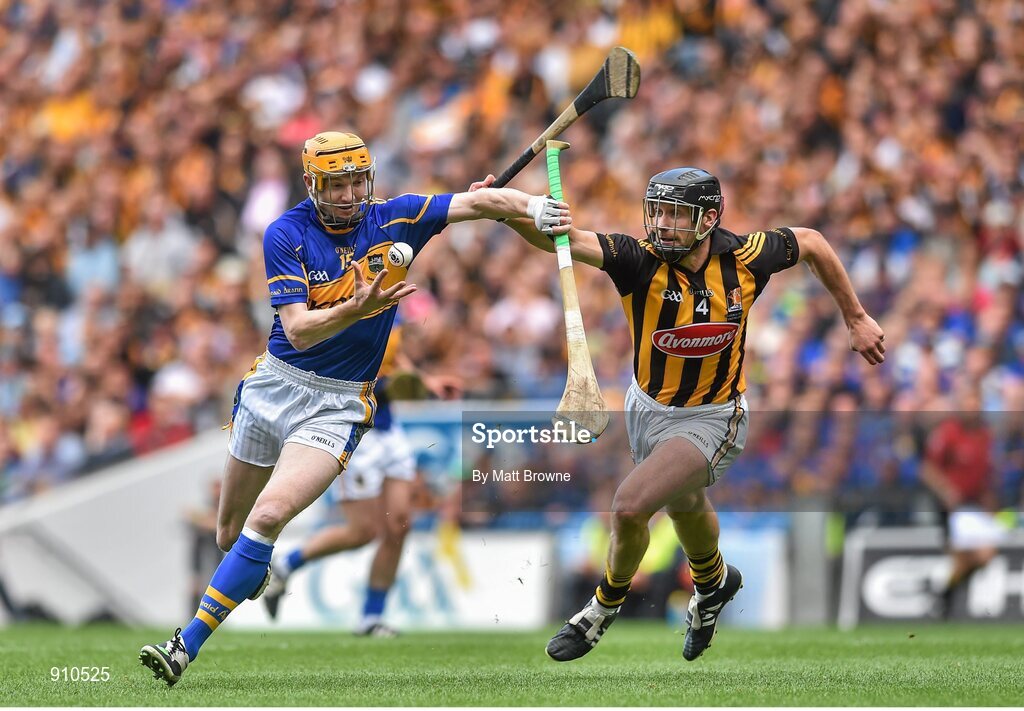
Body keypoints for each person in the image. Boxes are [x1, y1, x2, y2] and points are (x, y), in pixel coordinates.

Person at [139, 131, 570, 687]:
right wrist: (356, 307)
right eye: (335, 185)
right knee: (230, 535)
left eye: (355, 182)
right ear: (313, 185)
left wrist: (538, 206)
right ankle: (254, 567)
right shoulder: (286, 233)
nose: (347, 195)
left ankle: (183, 646)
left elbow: (484, 201)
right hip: (275, 384)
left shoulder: (396, 216)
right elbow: (298, 330)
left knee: (268, 518)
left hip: (339, 404)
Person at [472, 166, 885, 661]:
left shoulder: (747, 256)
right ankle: (713, 583)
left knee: (628, 506)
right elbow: (561, 239)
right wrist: (501, 209)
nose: (662, 224)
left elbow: (813, 241)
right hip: (647, 409)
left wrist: (855, 315)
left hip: (716, 415)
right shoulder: (635, 259)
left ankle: (601, 610)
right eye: (658, 211)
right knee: (684, 505)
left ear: (709, 218)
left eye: (676, 214)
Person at [262, 323, 460, 636]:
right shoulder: (340, 309)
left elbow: (393, 357)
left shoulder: (387, 310)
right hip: (355, 431)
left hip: (389, 431)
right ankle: (287, 565)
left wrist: (427, 381)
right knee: (362, 531)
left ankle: (371, 618)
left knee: (399, 525)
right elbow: (340, 370)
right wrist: (388, 385)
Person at [920, 379, 1002, 617]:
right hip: (954, 508)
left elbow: (986, 472)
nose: (973, 406)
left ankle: (942, 594)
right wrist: (946, 491)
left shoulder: (985, 435)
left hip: (975, 506)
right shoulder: (948, 433)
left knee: (985, 555)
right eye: (969, 401)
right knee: (969, 555)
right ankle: (944, 598)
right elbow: (928, 469)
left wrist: (990, 499)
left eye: (977, 401)